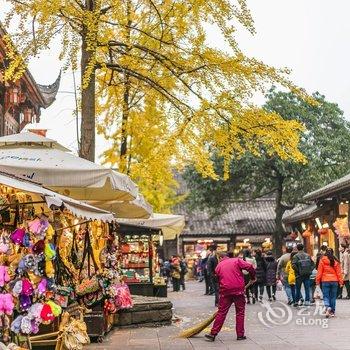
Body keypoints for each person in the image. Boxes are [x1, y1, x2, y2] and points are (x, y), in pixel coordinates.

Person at [205, 252, 256, 342]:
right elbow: (250, 267)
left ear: (221, 257)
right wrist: (252, 277)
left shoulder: (219, 266)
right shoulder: (237, 260)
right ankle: (240, 335)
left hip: (225, 291)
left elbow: (217, 278)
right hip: (238, 290)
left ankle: (213, 333)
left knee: (221, 312)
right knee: (240, 312)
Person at [316, 248, 343, 317]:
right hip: (334, 281)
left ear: (325, 253)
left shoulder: (322, 260)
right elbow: (339, 273)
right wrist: (341, 282)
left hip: (325, 281)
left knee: (326, 296)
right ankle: (332, 312)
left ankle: (328, 307)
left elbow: (319, 272)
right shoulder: (335, 261)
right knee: (333, 297)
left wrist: (317, 281)